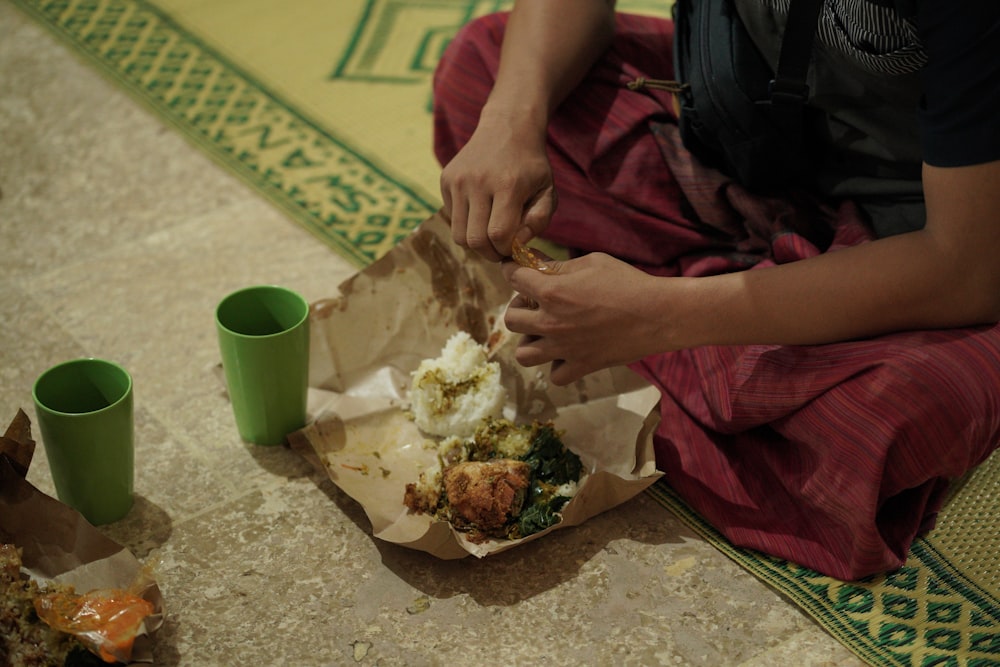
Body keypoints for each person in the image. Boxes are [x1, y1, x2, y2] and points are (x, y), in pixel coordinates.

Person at [430, 0, 1000, 580]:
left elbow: (968, 268)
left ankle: (670, 318)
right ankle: (702, 328)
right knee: (485, 70)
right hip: (744, 149)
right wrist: (510, 126)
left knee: (912, 402)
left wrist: (664, 316)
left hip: (924, 216)